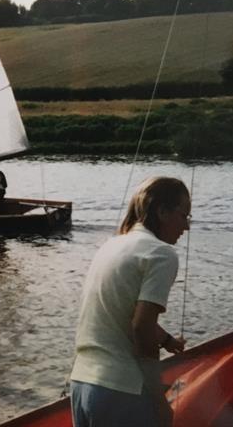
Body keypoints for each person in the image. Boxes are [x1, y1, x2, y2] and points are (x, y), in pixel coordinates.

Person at [69, 176, 190, 427]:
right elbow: (141, 327)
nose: (186, 226)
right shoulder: (161, 254)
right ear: (163, 212)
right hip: (122, 391)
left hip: (82, 385)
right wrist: (158, 400)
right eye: (184, 215)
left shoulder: (111, 246)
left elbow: (124, 314)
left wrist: (167, 340)